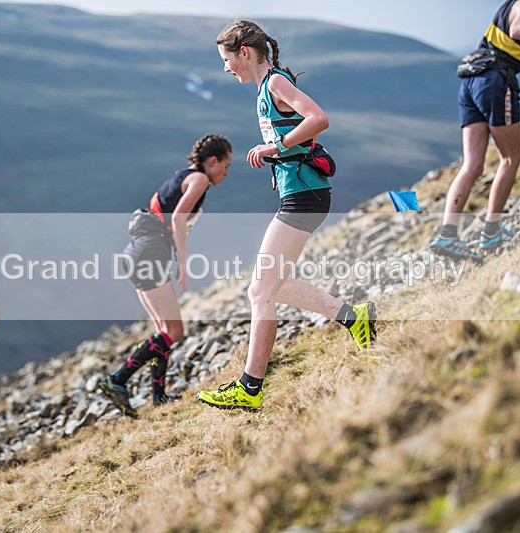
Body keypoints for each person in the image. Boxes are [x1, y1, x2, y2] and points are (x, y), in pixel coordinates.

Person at [196, 20, 377, 412]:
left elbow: (318, 118)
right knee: (273, 285)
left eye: (226, 60)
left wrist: (276, 146)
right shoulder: (266, 87)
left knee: (259, 292)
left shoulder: (276, 83)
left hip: (305, 195)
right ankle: (353, 317)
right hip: (304, 194)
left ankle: (249, 387)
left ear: (244, 53)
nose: (226, 69)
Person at [430, 0, 520, 262]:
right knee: (511, 158)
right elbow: (518, 31)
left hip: (472, 81)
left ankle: (448, 234)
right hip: (494, 83)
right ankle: (491, 234)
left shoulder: (513, 4)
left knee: (472, 165)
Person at [99, 134, 233, 419]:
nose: (226, 173)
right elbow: (177, 218)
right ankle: (118, 380)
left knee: (164, 331)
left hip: (138, 252)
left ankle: (158, 396)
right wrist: (184, 261)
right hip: (151, 252)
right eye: (226, 165)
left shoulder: (183, 175)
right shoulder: (199, 180)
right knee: (175, 331)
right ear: (213, 161)